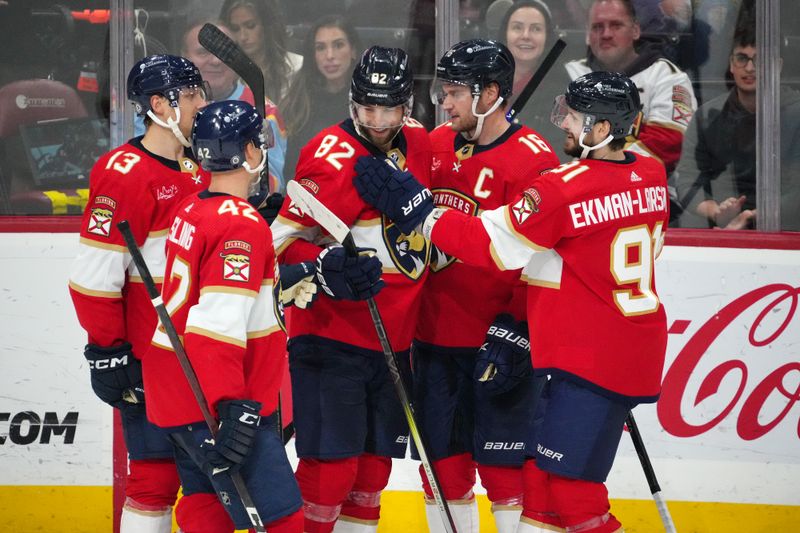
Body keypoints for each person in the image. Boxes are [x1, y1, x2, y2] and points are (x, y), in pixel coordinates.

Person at [354, 71, 669, 532]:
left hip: (587, 356)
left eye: (574, 116)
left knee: (574, 495)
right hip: (626, 347)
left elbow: (487, 245)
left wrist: (419, 211)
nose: (562, 122)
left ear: (601, 129)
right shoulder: (650, 172)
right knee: (541, 492)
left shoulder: (563, 187)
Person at [270, 46, 432, 533]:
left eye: (388, 108)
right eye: (366, 107)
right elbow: (277, 248)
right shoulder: (327, 157)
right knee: (329, 471)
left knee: (372, 472)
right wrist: (325, 267)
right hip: (330, 336)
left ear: (408, 106)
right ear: (352, 101)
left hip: (395, 338)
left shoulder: (421, 144)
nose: (377, 120)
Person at [413, 38, 559, 533]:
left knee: (504, 476)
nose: (445, 103)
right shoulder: (435, 146)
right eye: (444, 92)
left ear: (491, 92)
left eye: (455, 93)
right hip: (434, 340)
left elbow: (544, 257)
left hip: (500, 345)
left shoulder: (533, 162)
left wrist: (517, 327)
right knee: (442, 472)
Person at [144, 100, 304, 533]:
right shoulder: (242, 226)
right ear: (252, 153)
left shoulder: (192, 207)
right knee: (284, 518)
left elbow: (210, 295)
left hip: (177, 390)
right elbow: (217, 324)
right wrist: (233, 411)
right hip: (216, 400)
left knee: (205, 506)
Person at [68, 54, 209, 533]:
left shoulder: (197, 167)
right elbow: (94, 276)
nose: (200, 105)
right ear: (158, 104)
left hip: (200, 351)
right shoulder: (123, 172)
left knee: (205, 482)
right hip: (149, 355)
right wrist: (107, 351)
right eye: (190, 96)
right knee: (153, 478)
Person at [565, 0, 696, 222]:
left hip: (645, 198)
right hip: (574, 198)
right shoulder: (570, 73)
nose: (605, 34)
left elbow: (666, 145)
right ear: (588, 34)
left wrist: (592, 173)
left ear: (635, 30)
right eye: (598, 27)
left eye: (616, 25)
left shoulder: (667, 77)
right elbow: (551, 135)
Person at [674, 24, 800, 231]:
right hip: (719, 224)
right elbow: (688, 179)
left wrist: (753, 217)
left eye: (760, 60)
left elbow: (797, 191)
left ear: (777, 66)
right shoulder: (706, 116)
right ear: (731, 64)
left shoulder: (796, 113)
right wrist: (715, 212)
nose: (750, 68)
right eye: (742, 58)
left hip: (786, 227)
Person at [180, 16, 288, 193]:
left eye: (225, 54)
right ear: (184, 56)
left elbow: (271, 186)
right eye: (202, 52)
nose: (215, 61)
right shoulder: (167, 108)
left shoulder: (265, 111)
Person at [282, 14, 362, 180]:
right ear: (313, 55)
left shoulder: (369, 104)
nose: (330, 55)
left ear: (353, 50)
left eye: (338, 45)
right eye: (320, 48)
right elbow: (290, 170)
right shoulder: (298, 101)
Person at [497, 0, 567, 158]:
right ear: (504, 34)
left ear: (547, 37)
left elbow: (560, 154)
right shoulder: (485, 82)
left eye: (536, 29)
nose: (526, 36)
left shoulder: (562, 91)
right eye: (517, 27)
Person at [220, 0, 302, 102]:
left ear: (267, 26)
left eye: (250, 26)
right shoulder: (224, 74)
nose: (243, 36)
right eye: (235, 29)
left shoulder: (298, 67)